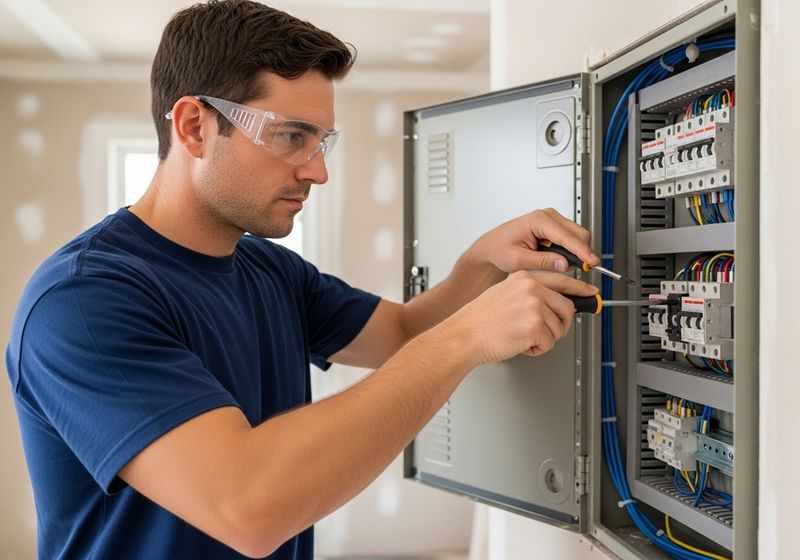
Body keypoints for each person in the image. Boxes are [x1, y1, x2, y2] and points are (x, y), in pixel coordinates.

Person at [5, 1, 600, 558]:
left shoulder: (265, 265)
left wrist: (482, 265)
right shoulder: (84, 301)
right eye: (292, 136)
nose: (317, 171)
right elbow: (248, 506)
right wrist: (466, 338)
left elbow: (399, 332)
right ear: (193, 127)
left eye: (323, 141)